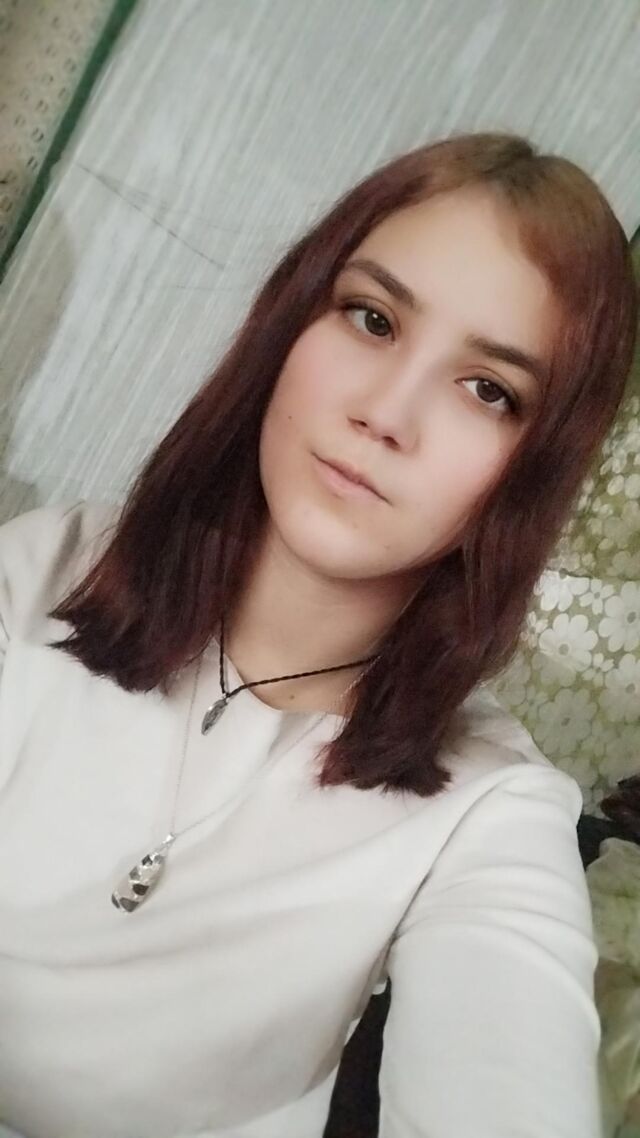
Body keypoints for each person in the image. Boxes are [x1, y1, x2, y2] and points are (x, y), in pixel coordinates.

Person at [0, 131, 636, 1138]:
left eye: (489, 389)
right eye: (372, 318)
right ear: (289, 322)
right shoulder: (43, 570)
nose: (386, 412)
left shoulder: (487, 813)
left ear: (537, 466)